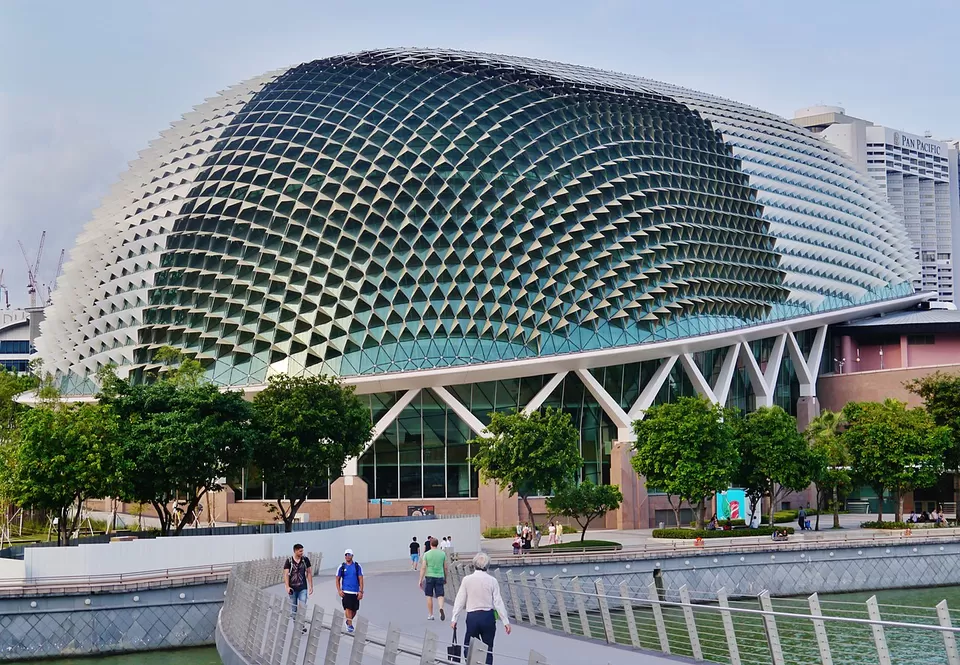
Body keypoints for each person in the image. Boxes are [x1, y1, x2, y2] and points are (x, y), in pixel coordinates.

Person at [451, 551, 512, 665]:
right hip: (488, 616)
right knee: (488, 648)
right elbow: (498, 601)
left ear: (474, 564)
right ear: (487, 565)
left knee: (469, 646)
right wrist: (505, 621)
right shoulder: (492, 581)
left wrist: (454, 618)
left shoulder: (467, 580)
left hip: (472, 616)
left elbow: (460, 600)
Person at [419, 536, 449, 621]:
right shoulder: (442, 554)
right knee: (440, 595)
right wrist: (445, 577)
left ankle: (431, 614)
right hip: (440, 576)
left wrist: (420, 579)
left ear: (431, 544)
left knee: (429, 595)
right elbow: (445, 567)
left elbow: (423, 567)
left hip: (429, 576)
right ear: (437, 544)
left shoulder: (426, 554)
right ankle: (441, 608)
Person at [335, 549, 364, 634]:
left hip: (355, 592)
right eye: (346, 555)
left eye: (349, 555)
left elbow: (361, 579)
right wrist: (339, 590)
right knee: (348, 608)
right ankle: (350, 625)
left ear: (352, 556)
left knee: (354, 610)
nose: (347, 556)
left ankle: (348, 621)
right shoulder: (342, 567)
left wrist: (361, 591)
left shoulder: (357, 566)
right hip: (346, 591)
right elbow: (337, 579)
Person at [283, 543, 314, 620]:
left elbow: (309, 572)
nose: (302, 553)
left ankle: (301, 624)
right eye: (300, 551)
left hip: (302, 587)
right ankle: (296, 626)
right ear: (295, 551)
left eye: (302, 551)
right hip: (292, 589)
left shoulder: (305, 560)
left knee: (302, 606)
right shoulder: (289, 561)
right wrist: (287, 587)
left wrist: (311, 586)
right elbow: (286, 574)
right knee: (294, 609)